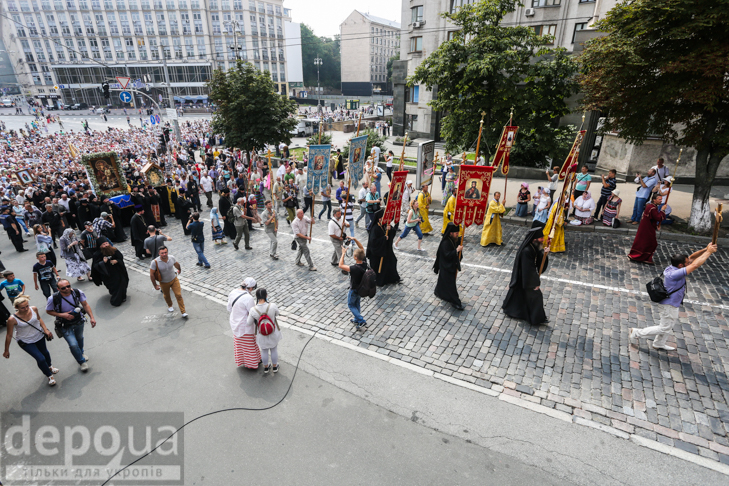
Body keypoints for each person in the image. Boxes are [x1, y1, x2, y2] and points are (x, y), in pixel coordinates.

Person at [630, 244, 717, 351]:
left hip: (672, 303)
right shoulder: (675, 274)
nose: (689, 262)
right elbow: (694, 265)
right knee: (664, 327)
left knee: (669, 325)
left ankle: (658, 343)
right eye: (686, 263)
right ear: (681, 265)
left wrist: (705, 249)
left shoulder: (673, 267)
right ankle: (637, 333)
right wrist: (709, 252)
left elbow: (692, 258)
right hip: (669, 304)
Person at [3, 295, 58, 386]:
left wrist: (46, 330)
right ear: (16, 308)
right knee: (40, 359)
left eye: (27, 306)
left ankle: (49, 366)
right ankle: (49, 375)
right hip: (25, 341)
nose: (26, 309)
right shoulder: (12, 319)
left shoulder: (34, 309)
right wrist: (6, 350)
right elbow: (9, 335)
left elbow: (39, 319)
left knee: (45, 353)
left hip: (38, 336)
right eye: (22, 308)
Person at [502, 223, 550, 325]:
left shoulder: (534, 246)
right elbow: (529, 269)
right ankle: (536, 319)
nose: (543, 240)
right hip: (525, 278)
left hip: (526, 277)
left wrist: (544, 254)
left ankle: (517, 312)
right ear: (534, 239)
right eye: (541, 238)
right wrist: (535, 284)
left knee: (521, 297)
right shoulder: (526, 251)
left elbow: (538, 263)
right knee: (536, 296)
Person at [45, 279, 96, 372]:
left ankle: (81, 352)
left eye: (68, 286)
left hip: (79, 320)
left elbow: (85, 304)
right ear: (58, 289)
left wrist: (92, 317)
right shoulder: (53, 298)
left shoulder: (77, 292)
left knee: (80, 338)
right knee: (73, 344)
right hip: (64, 324)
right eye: (63, 288)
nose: (67, 289)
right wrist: (62, 315)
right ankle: (81, 361)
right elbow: (48, 311)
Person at [247, 288, 282, 374]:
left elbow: (249, 323)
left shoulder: (253, 310)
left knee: (264, 350)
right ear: (266, 296)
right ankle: (275, 366)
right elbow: (277, 313)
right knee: (274, 349)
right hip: (273, 332)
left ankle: (266, 367)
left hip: (262, 333)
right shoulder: (272, 306)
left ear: (257, 297)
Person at [227, 277, 259, 369]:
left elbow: (229, 308)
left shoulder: (232, 292)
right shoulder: (248, 298)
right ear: (251, 288)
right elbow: (253, 313)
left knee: (240, 346)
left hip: (234, 323)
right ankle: (253, 364)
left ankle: (243, 361)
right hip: (245, 326)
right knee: (249, 346)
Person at [149, 246, 188, 318]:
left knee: (178, 295)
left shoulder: (171, 258)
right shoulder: (154, 262)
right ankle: (170, 305)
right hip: (164, 282)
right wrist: (155, 285)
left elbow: (176, 264)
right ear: (159, 253)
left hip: (174, 280)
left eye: (165, 252)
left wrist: (179, 269)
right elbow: (151, 275)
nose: (164, 254)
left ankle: (183, 312)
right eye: (162, 253)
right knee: (167, 295)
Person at [628, 193, 667, 264]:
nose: (661, 201)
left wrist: (657, 226)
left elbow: (652, 219)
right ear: (654, 200)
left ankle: (637, 255)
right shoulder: (652, 208)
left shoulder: (651, 206)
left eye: (661, 199)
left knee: (642, 242)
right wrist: (663, 210)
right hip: (647, 229)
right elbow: (658, 217)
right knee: (651, 243)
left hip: (646, 227)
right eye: (659, 199)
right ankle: (642, 257)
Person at [338, 237, 368, 329]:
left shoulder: (353, 268)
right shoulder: (364, 262)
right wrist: (355, 239)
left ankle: (361, 320)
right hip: (361, 288)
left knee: (351, 305)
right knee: (357, 304)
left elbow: (340, 265)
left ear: (355, 257)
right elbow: (361, 248)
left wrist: (343, 254)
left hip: (354, 289)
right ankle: (356, 318)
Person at [90, 238, 129, 306]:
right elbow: (95, 266)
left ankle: (123, 296)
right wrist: (103, 262)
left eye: (106, 243)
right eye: (103, 244)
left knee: (122, 284)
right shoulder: (97, 254)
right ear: (100, 246)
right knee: (115, 287)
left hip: (118, 271)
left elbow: (120, 257)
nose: (106, 245)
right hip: (108, 275)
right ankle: (116, 300)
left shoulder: (114, 250)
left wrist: (117, 261)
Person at [433, 223, 464, 310]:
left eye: (458, 232)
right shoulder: (445, 243)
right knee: (451, 285)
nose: (457, 234)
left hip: (451, 265)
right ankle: (455, 302)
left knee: (443, 281)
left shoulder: (456, 239)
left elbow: (458, 252)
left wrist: (459, 253)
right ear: (450, 233)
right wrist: (456, 250)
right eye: (455, 233)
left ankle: (439, 292)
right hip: (446, 266)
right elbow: (447, 255)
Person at [366, 209, 400, 285]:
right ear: (379, 219)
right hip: (377, 253)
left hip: (385, 251)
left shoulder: (385, 225)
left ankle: (392, 278)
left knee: (392, 261)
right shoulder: (375, 228)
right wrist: (384, 239)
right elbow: (373, 242)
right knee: (379, 268)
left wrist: (390, 229)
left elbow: (391, 234)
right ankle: (380, 281)